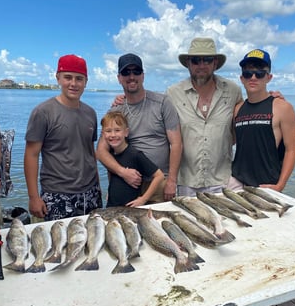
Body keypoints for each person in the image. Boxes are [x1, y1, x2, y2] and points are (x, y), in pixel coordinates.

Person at [24, 54, 102, 221]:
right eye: (68, 77)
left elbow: (89, 152)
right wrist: (33, 197)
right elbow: (31, 154)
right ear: (58, 78)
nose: (73, 83)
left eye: (79, 79)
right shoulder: (43, 112)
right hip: (57, 194)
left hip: (90, 192)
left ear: (86, 82)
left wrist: (98, 186)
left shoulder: (90, 113)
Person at [96, 53, 182, 203]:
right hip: (129, 181)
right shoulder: (116, 111)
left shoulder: (162, 103)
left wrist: (172, 181)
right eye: (126, 72)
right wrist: (122, 173)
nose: (131, 76)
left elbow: (176, 144)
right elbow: (101, 151)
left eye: (136, 72)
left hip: (159, 180)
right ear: (119, 78)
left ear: (142, 76)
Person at [166, 37, 243, 196]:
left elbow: (247, 115)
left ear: (215, 63)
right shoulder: (173, 93)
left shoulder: (233, 91)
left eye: (207, 60)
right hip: (186, 182)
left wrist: (272, 100)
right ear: (188, 63)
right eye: (196, 60)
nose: (201, 65)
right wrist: (125, 100)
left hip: (223, 179)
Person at [231, 49, 295, 191]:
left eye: (260, 73)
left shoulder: (282, 107)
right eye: (248, 74)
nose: (253, 78)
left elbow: (291, 150)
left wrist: (280, 185)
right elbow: (235, 141)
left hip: (267, 184)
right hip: (236, 181)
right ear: (242, 78)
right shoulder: (237, 109)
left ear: (269, 77)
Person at [101, 110, 164, 207]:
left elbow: (159, 176)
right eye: (108, 131)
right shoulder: (110, 154)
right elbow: (111, 172)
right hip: (112, 205)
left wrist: (143, 199)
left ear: (126, 132)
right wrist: (111, 190)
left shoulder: (135, 154)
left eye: (117, 130)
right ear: (103, 134)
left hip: (130, 207)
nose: (113, 135)